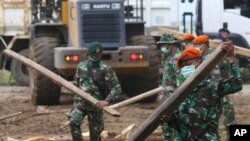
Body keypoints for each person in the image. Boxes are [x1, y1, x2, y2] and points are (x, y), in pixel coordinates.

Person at [173, 43, 242, 140]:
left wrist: (231, 58)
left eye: (188, 64)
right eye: (183, 66)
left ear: (199, 63)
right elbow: (176, 122)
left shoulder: (212, 86)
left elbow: (236, 85)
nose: (185, 68)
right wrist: (169, 119)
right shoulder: (179, 92)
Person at [68, 42, 122, 141]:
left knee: (95, 133)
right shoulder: (81, 66)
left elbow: (117, 88)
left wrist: (107, 101)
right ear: (89, 55)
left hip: (96, 104)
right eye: (93, 55)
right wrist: (64, 83)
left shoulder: (106, 69)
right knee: (73, 123)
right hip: (80, 102)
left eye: (98, 56)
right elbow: (76, 83)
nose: (95, 58)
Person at [194, 34, 236, 139]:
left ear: (204, 45)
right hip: (205, 95)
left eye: (198, 45)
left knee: (229, 116)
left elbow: (226, 72)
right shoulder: (198, 57)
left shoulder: (216, 55)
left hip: (219, 91)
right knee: (209, 120)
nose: (196, 48)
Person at [157, 33, 181, 141]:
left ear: (170, 45)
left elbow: (180, 81)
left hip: (173, 97)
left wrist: (174, 97)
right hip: (167, 96)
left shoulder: (177, 59)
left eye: (163, 45)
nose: (162, 48)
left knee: (173, 125)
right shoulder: (169, 58)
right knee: (166, 124)